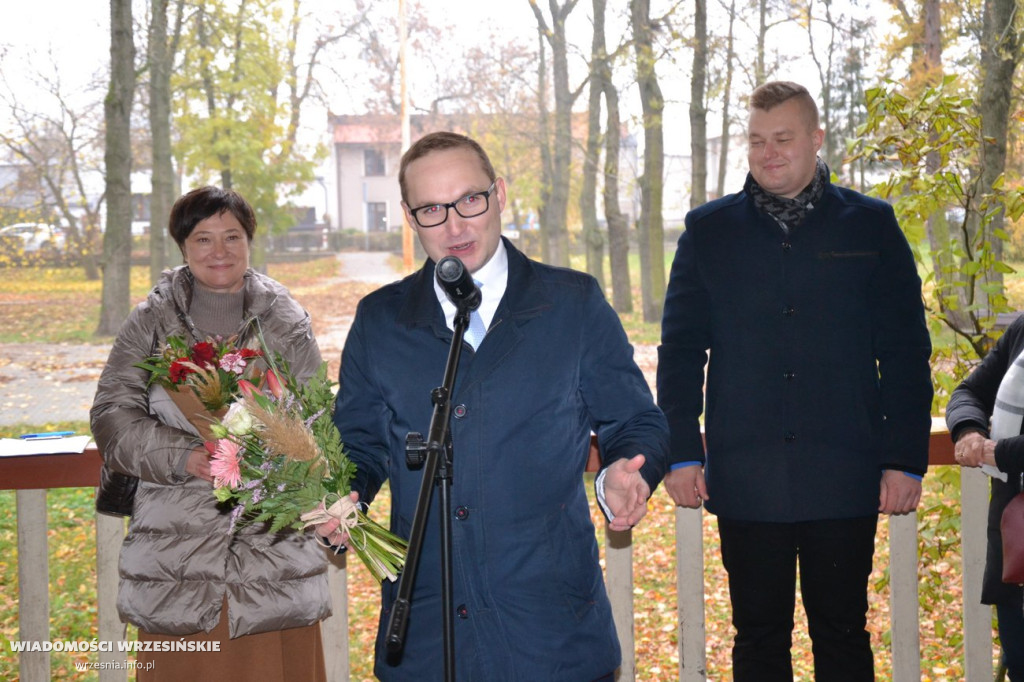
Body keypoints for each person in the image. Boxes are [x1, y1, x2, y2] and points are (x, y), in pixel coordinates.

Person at [325, 131, 669, 680]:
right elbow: (359, 444)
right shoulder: (380, 321)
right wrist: (347, 493)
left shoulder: (572, 303)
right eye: (432, 209)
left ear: (499, 194)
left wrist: (627, 475)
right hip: (427, 638)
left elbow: (634, 419)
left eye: (469, 200)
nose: (455, 226)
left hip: (551, 634)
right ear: (411, 220)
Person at [656, 81, 933, 680]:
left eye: (783, 138)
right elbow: (679, 353)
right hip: (745, 477)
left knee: (842, 636)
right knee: (757, 640)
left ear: (816, 139)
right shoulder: (709, 232)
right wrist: (680, 452)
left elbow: (906, 354)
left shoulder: (871, 227)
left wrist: (905, 460)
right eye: (757, 140)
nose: (768, 152)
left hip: (845, 474)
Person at [90, 186, 331, 681]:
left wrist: (276, 446)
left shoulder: (285, 321)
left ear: (249, 242)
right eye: (203, 239)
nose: (219, 251)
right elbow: (112, 416)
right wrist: (188, 456)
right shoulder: (150, 322)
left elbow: (318, 419)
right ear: (183, 247)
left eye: (232, 237)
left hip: (271, 547)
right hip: (175, 554)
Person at [946, 316, 1024, 680]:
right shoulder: (1023, 329)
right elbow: (968, 392)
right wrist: (969, 431)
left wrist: (1001, 452)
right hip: (1016, 551)